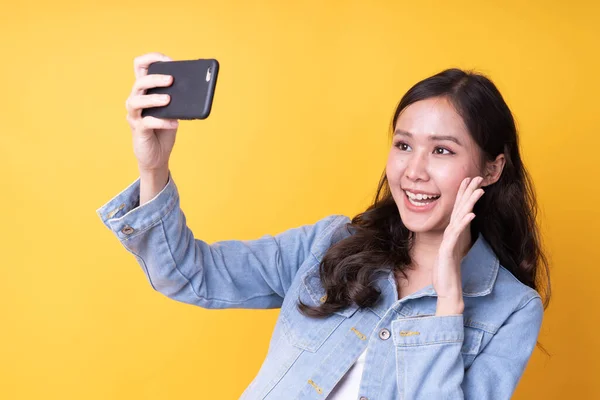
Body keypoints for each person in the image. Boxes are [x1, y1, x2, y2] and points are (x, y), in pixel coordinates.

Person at [97, 52, 550, 399]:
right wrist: (153, 168)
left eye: (443, 151)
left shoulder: (512, 309)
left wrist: (448, 299)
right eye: (404, 145)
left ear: (492, 170)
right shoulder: (331, 243)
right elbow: (191, 275)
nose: (414, 171)